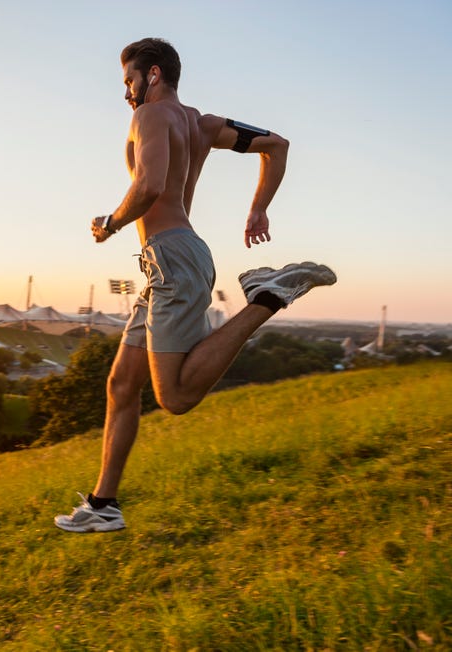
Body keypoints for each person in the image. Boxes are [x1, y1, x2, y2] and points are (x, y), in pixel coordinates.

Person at [54, 38, 336, 533]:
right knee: (122, 384)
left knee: (176, 398)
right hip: (170, 261)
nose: (127, 94)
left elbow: (150, 187)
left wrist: (110, 224)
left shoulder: (150, 117)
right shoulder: (201, 123)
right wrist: (259, 207)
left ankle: (270, 295)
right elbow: (277, 145)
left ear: (154, 74)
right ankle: (104, 505)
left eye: (129, 81)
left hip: (173, 259)